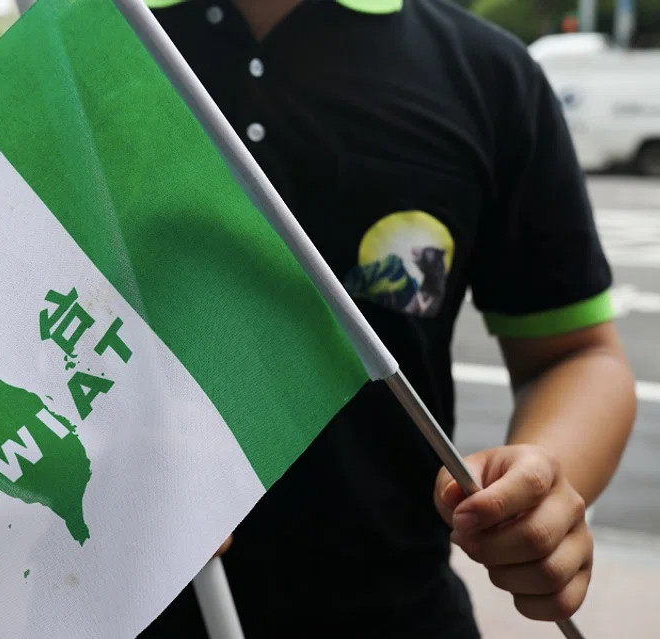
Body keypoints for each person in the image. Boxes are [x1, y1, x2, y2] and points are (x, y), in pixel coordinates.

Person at [138, 0, 637, 637]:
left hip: (399, 609)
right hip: (101, 610)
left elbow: (576, 354)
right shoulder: (77, 52)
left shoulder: (486, 73)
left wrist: (540, 486)